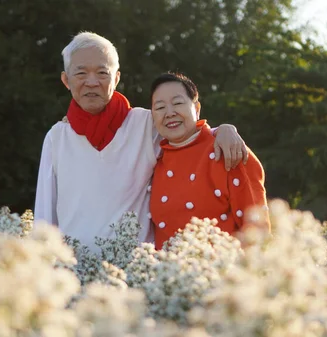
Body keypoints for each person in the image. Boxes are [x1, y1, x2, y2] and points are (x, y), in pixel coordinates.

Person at [34, 32, 248, 253]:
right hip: (74, 271)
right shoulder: (57, 137)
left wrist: (222, 130)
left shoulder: (144, 123)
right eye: (80, 73)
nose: (92, 82)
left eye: (102, 72)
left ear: (116, 79)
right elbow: (45, 213)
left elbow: (187, 133)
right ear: (66, 80)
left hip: (136, 271)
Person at [149, 72, 271, 249]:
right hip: (168, 273)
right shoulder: (154, 158)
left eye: (178, 103)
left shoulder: (227, 149)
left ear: (196, 108)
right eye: (160, 107)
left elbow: (256, 229)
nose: (169, 113)